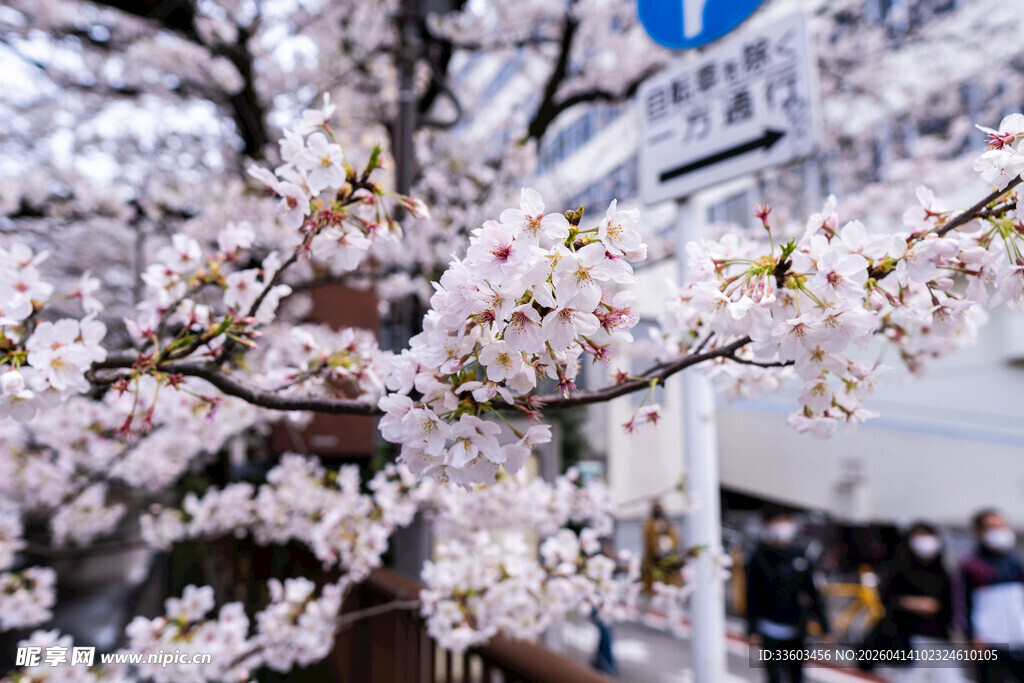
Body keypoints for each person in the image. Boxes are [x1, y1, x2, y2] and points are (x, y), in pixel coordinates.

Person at [746, 509, 830, 683]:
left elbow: (812, 593)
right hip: (769, 629)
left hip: (796, 629)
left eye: (785, 520)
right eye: (777, 521)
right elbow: (752, 596)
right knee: (774, 676)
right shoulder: (759, 557)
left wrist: (825, 628)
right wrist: (751, 629)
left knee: (796, 676)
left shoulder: (799, 556)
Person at [880, 522, 961, 683]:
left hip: (940, 638)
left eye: (928, 535)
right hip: (907, 637)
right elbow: (886, 598)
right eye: (919, 536)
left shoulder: (944, 570)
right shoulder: (899, 568)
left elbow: (951, 604)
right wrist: (915, 603)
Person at [960, 509, 1024, 683]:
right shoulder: (971, 565)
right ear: (979, 532)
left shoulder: (1015, 562)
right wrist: (971, 636)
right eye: (992, 527)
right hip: (989, 643)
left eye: (1002, 526)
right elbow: (960, 604)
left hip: (1018, 640)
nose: (999, 532)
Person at [642, 500, 680, 593]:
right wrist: (657, 546)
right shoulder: (649, 524)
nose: (659, 510)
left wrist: (669, 544)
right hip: (653, 562)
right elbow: (649, 543)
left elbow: (675, 540)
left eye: (660, 508)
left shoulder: (668, 523)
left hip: (668, 562)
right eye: (657, 508)